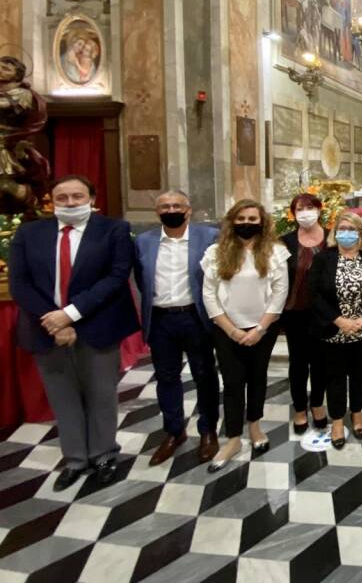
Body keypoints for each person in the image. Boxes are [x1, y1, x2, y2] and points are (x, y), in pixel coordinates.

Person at [9, 175, 138, 490]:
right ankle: (76, 460)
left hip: (98, 326)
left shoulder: (113, 230)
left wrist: (70, 315)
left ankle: (105, 454)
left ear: (91, 199)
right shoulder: (29, 233)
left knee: (101, 395)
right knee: (62, 398)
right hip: (45, 329)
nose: (69, 203)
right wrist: (53, 320)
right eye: (62, 197)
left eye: (77, 196)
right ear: (51, 201)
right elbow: (20, 284)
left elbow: (117, 275)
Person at [201, 200, 289, 471]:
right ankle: (233, 438)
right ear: (232, 221)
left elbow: (279, 292)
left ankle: (255, 426)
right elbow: (208, 293)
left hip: (263, 327)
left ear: (262, 222)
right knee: (232, 381)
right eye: (241, 218)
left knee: (258, 377)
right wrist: (231, 329)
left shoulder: (275, 252)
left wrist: (260, 329)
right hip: (227, 328)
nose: (247, 223)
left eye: (253, 218)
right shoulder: (216, 252)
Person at [134, 190, 220, 465]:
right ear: (157, 212)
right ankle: (174, 431)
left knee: (204, 376)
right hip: (160, 319)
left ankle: (208, 431)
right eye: (164, 206)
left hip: (195, 316)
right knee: (166, 378)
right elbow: (140, 279)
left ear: (189, 209)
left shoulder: (208, 237)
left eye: (177, 205)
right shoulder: (144, 242)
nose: (171, 209)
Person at [309, 212, 362, 449]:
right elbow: (314, 294)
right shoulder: (324, 258)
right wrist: (339, 320)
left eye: (352, 229)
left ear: (361, 233)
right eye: (342, 228)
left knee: (358, 373)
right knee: (335, 376)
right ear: (335, 233)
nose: (346, 233)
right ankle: (337, 420)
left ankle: (357, 413)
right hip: (334, 330)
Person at [279, 193, 328, 434]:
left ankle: (317, 404)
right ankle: (300, 408)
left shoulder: (332, 238)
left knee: (320, 362)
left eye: (310, 207)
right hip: (295, 312)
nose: (305, 212)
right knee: (298, 363)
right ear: (293, 213)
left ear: (319, 210)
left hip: (325, 313)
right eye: (300, 208)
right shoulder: (285, 241)